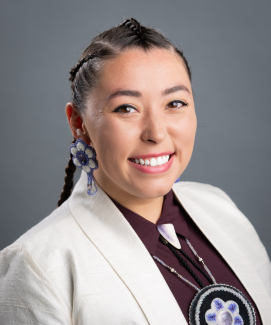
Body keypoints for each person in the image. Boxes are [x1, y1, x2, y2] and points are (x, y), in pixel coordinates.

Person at [0, 18, 270, 325]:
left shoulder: (221, 208)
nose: (156, 133)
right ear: (79, 124)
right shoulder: (36, 265)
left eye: (176, 103)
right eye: (126, 108)